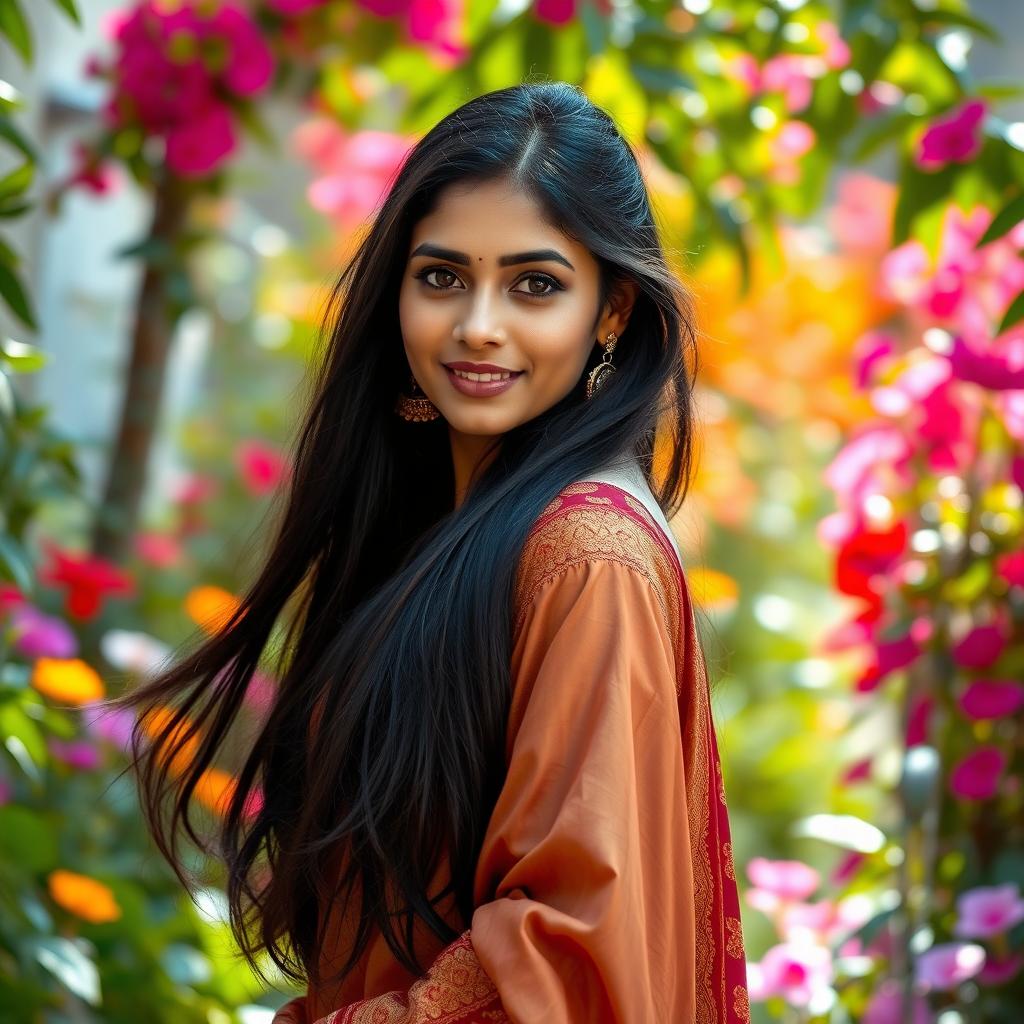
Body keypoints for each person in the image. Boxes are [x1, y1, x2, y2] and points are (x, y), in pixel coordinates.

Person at [114, 80, 749, 1022]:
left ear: (611, 313)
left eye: (535, 284)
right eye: (442, 276)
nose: (477, 324)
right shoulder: (452, 530)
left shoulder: (585, 558)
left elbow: (565, 960)